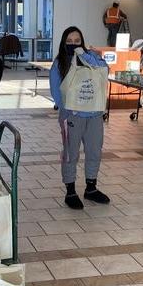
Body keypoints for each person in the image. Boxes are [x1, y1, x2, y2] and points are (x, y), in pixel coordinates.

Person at [49, 26, 110, 209]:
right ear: (63, 42)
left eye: (77, 41)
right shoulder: (59, 63)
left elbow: (104, 70)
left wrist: (88, 54)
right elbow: (56, 90)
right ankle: (70, 190)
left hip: (95, 115)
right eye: (69, 41)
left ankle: (91, 188)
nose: (73, 44)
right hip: (72, 117)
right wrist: (67, 110)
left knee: (94, 151)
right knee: (71, 154)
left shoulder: (90, 57)